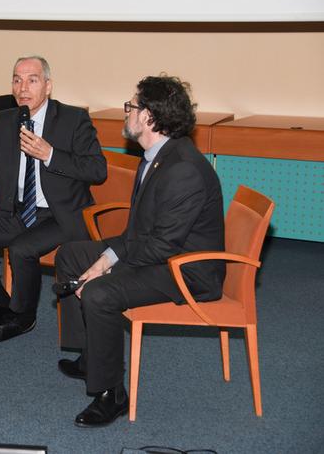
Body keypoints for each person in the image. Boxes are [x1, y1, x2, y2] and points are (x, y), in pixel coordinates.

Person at [54, 75, 226, 427]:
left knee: (100, 292)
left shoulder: (183, 170)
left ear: (148, 117)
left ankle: (111, 393)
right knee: (71, 255)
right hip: (163, 253)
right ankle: (90, 352)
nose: (127, 112)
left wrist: (109, 265)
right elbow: (140, 231)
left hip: (187, 271)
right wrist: (105, 258)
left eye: (131, 107)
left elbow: (163, 244)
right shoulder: (158, 155)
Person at [0, 56, 107, 342]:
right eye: (17, 80)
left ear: (48, 86)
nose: (22, 87)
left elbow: (97, 169)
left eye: (32, 80)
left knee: (20, 249)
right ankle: (0, 301)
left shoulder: (73, 119)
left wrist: (50, 154)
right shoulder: (5, 120)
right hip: (16, 213)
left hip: (62, 215)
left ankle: (23, 317)